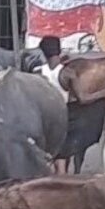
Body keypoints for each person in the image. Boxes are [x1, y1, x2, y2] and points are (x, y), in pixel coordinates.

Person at [34, 35, 71, 173]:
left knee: (45, 150)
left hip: (43, 117)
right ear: (60, 50)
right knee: (61, 152)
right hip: (62, 115)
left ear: (43, 52)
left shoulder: (37, 72)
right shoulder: (67, 72)